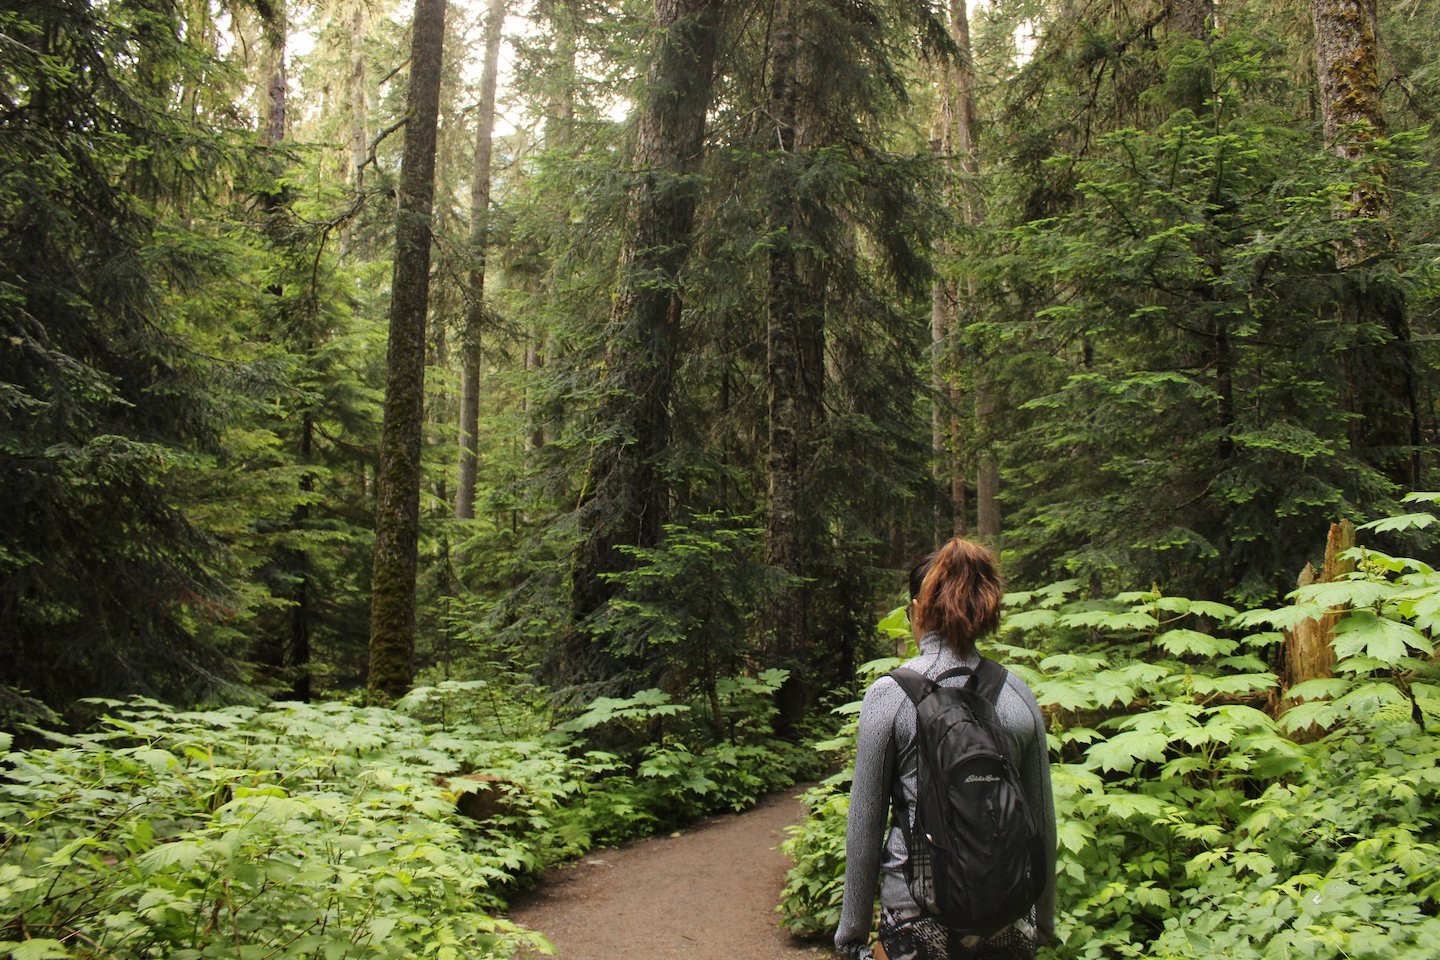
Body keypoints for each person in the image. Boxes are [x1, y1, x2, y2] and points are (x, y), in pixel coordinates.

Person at [834, 537, 1056, 960]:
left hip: (916, 913)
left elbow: (864, 826)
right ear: (982, 608)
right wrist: (1042, 922)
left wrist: (852, 936)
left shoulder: (890, 694)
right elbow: (1042, 822)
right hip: (1008, 913)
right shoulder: (1017, 693)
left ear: (917, 610)